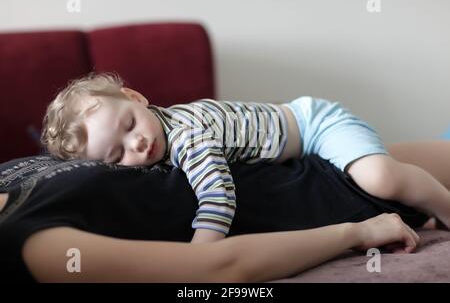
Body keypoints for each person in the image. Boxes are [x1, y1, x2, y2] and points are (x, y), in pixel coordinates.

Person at [40, 73, 450, 245]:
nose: (138, 145)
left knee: (380, 179)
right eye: (117, 153)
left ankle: (441, 204)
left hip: (314, 124)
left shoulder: (186, 136)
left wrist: (201, 252)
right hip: (289, 136)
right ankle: (426, 213)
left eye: (130, 123)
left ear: (136, 98)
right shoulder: (155, 139)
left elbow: (218, 195)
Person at [0, 140, 449, 282]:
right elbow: (216, 266)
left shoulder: (7, 172)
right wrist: (355, 233)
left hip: (291, 159)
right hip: (318, 198)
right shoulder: (33, 244)